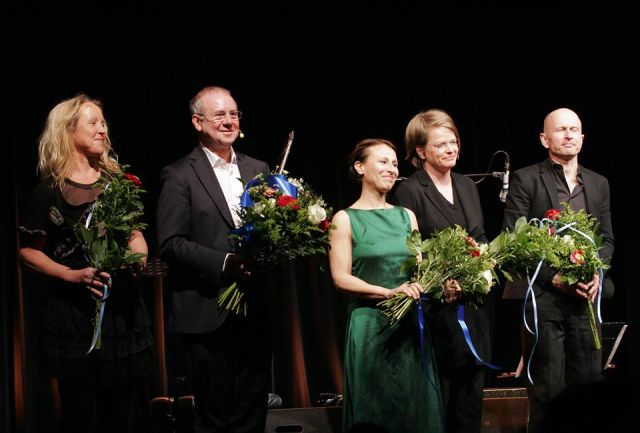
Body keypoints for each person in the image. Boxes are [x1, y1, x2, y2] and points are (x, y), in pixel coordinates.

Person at [18, 94, 155, 433]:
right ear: (68, 131)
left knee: (122, 417)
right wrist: (71, 274)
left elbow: (135, 235)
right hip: (73, 320)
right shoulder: (49, 190)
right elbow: (28, 252)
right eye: (93, 122)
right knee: (79, 417)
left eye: (103, 123)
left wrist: (138, 257)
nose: (102, 129)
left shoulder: (116, 183)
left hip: (120, 315)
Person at [156, 86, 272, 433]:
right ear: (197, 121)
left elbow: (273, 228)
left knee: (253, 413)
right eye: (219, 114)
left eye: (233, 114)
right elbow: (170, 243)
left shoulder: (258, 168)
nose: (228, 121)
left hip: (254, 310)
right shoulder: (179, 174)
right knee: (216, 418)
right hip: (207, 313)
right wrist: (227, 262)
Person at [502, 107, 614, 433]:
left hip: (585, 301)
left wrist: (596, 273)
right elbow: (514, 240)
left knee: (589, 389)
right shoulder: (526, 179)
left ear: (582, 137)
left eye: (574, 129)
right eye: (561, 129)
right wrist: (557, 277)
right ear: (544, 138)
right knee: (548, 392)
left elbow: (606, 240)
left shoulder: (598, 183)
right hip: (544, 298)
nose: (568, 135)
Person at [328, 138, 445, 433]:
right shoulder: (344, 219)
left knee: (413, 406)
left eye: (394, 163)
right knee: (376, 408)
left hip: (408, 324)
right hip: (369, 326)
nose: (392, 169)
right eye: (382, 161)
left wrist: (434, 282)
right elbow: (341, 279)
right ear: (359, 167)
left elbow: (419, 269)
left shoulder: (406, 216)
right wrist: (388, 292)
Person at [390, 109, 490, 433]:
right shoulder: (409, 190)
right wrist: (439, 281)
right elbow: (413, 250)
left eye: (454, 142)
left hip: (472, 308)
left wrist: (482, 271)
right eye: (441, 144)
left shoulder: (467, 185)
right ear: (420, 151)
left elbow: (481, 239)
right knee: (443, 402)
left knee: (470, 400)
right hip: (436, 312)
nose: (451, 149)